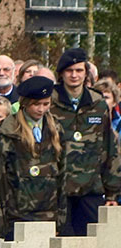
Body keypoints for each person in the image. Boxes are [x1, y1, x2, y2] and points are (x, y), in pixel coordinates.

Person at [49, 48, 121, 236]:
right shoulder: (48, 101)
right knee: (59, 246)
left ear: (86, 73)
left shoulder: (97, 102)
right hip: (57, 188)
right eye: (69, 70)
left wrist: (112, 191)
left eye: (79, 70)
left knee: (91, 246)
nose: (74, 75)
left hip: (90, 187)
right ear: (61, 73)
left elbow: (109, 147)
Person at [0, 76, 66, 241]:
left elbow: (63, 174)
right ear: (25, 103)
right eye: (36, 104)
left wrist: (61, 217)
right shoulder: (9, 130)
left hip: (48, 210)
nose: (41, 109)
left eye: (46, 104)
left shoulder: (55, 128)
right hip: (17, 211)